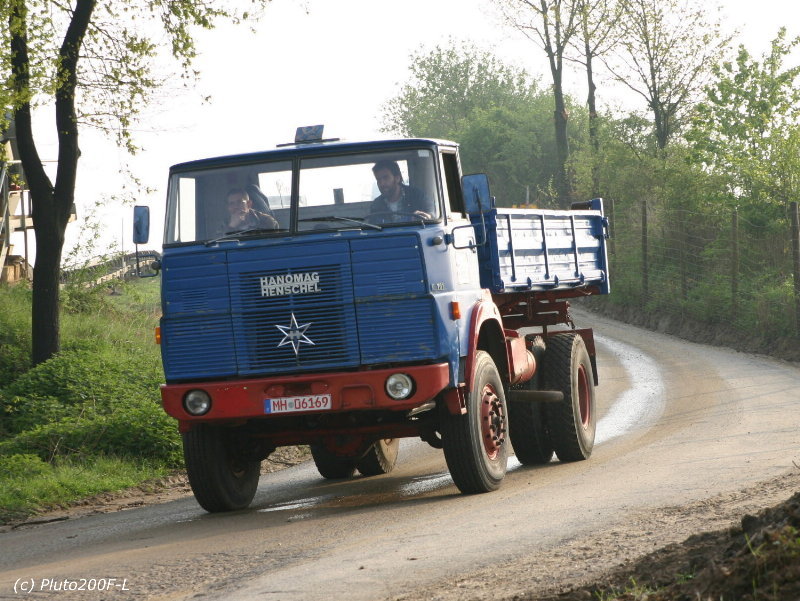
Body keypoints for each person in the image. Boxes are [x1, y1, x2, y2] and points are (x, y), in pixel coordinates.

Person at [368, 160, 434, 223]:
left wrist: (425, 217)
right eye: (378, 179)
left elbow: (431, 216)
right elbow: (373, 227)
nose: (382, 183)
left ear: (397, 178)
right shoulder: (376, 205)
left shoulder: (417, 196)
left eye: (386, 178)